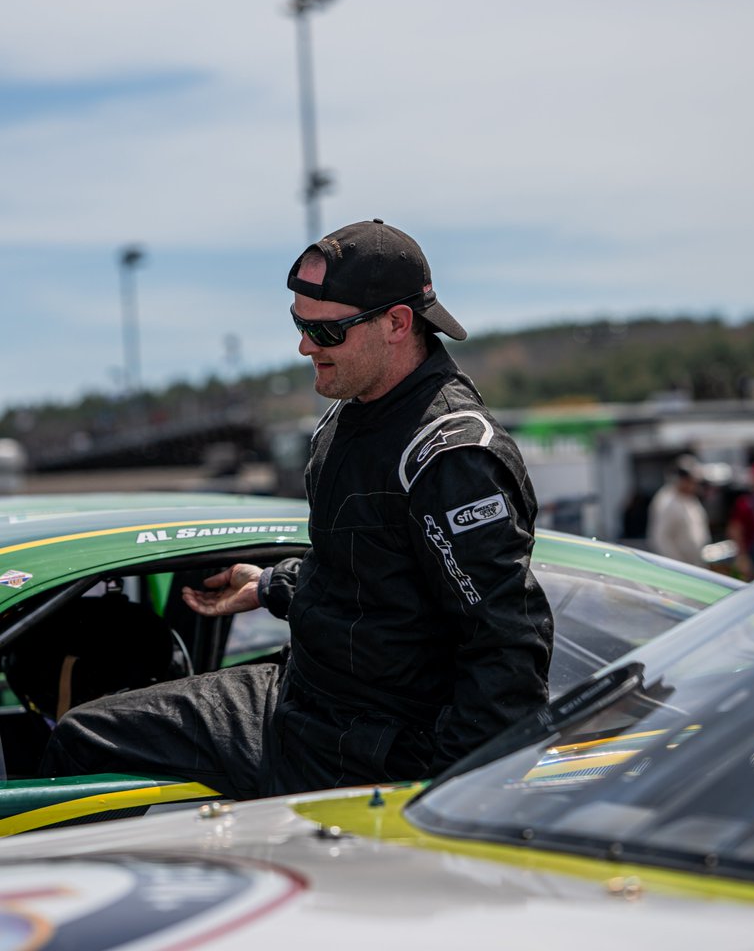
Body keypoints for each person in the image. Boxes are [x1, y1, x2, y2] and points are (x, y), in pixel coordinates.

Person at [42, 219, 553, 797]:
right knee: (84, 733)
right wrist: (268, 585)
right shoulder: (352, 413)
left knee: (81, 747)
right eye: (298, 324)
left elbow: (507, 646)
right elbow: (366, 573)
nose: (305, 345)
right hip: (303, 698)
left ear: (397, 323)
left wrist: (449, 795)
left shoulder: (450, 455)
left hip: (367, 750)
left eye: (325, 331)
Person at [646, 454, 712, 567]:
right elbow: (661, 539)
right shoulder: (666, 501)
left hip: (696, 565)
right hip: (679, 568)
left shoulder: (691, 499)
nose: (695, 485)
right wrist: (678, 565)